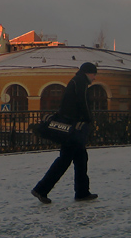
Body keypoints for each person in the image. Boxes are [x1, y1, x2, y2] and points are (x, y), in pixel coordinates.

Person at [31, 62, 99, 204]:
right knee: (65, 161)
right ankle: (42, 189)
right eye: (94, 74)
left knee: (80, 160)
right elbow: (83, 103)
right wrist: (88, 119)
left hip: (69, 128)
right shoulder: (80, 83)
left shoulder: (75, 81)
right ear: (88, 72)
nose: (94, 78)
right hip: (73, 130)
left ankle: (82, 192)